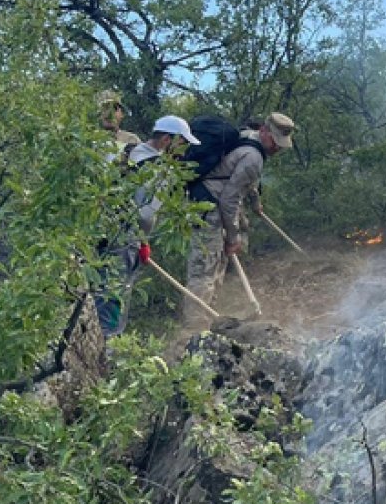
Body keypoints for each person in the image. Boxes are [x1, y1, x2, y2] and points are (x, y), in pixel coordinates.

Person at [181, 112, 294, 331]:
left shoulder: (246, 136)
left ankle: (208, 320)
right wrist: (233, 237)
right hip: (210, 208)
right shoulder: (254, 157)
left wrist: (255, 202)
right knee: (204, 271)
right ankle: (194, 329)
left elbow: (243, 185)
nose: (277, 148)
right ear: (264, 131)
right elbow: (229, 199)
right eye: (275, 141)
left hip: (208, 204)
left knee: (214, 268)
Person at [95, 115, 201, 337]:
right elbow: (145, 214)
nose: (184, 150)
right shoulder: (160, 170)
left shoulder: (125, 150)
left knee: (93, 288)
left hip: (98, 229)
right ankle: (107, 348)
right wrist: (143, 241)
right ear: (166, 139)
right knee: (115, 293)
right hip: (124, 238)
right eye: (183, 143)